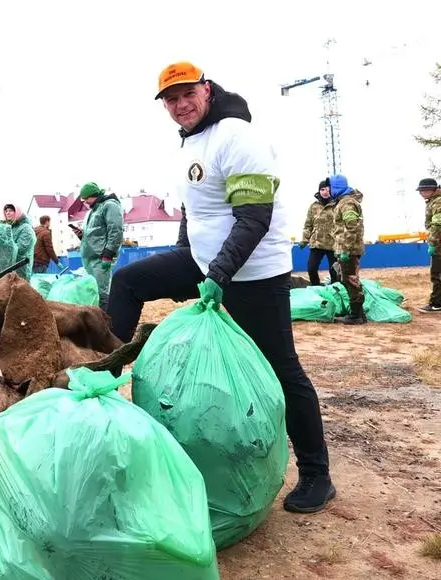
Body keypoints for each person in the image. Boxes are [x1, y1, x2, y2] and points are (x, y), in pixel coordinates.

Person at [107, 61, 334, 513]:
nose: (180, 104)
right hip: (205, 262)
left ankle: (316, 474)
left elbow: (254, 218)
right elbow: (197, 210)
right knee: (128, 282)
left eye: (187, 93)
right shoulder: (191, 141)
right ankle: (102, 390)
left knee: (281, 368)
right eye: (170, 99)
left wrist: (217, 277)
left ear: (206, 90)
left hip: (252, 272)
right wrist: (185, 257)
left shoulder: (237, 136)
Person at [77, 182, 124, 309]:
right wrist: (81, 235)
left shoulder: (110, 206)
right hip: (90, 257)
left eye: (86, 198)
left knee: (102, 291)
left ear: (93, 195)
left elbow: (116, 230)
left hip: (101, 257)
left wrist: (108, 254)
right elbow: (96, 232)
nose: (85, 202)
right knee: (93, 291)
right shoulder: (93, 211)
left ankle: (107, 321)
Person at [330, 174, 366, 325]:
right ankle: (359, 313)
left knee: (351, 281)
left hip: (348, 250)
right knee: (348, 279)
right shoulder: (343, 202)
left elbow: (351, 227)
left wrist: (346, 249)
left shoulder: (347, 203)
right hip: (347, 248)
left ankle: (356, 315)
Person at [299, 178, 339, 286]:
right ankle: (316, 288)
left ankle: (336, 291)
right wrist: (304, 240)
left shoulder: (337, 205)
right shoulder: (313, 206)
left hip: (333, 244)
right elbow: (308, 225)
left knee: (335, 272)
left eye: (327, 189)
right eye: (322, 189)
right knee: (311, 269)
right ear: (319, 191)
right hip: (317, 243)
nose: (325, 192)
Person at [417, 177, 441, 313]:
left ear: (430, 190)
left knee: (437, 274)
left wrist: (433, 243)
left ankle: (436, 303)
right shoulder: (433, 201)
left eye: (422, 190)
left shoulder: (437, 202)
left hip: (439, 244)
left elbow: (437, 225)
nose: (421, 193)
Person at [4, 204, 36, 280]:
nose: (7, 213)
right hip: (9, 269)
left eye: (11, 210)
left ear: (17, 212)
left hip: (21, 268)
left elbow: (20, 250)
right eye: (6, 211)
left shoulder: (26, 228)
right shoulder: (9, 227)